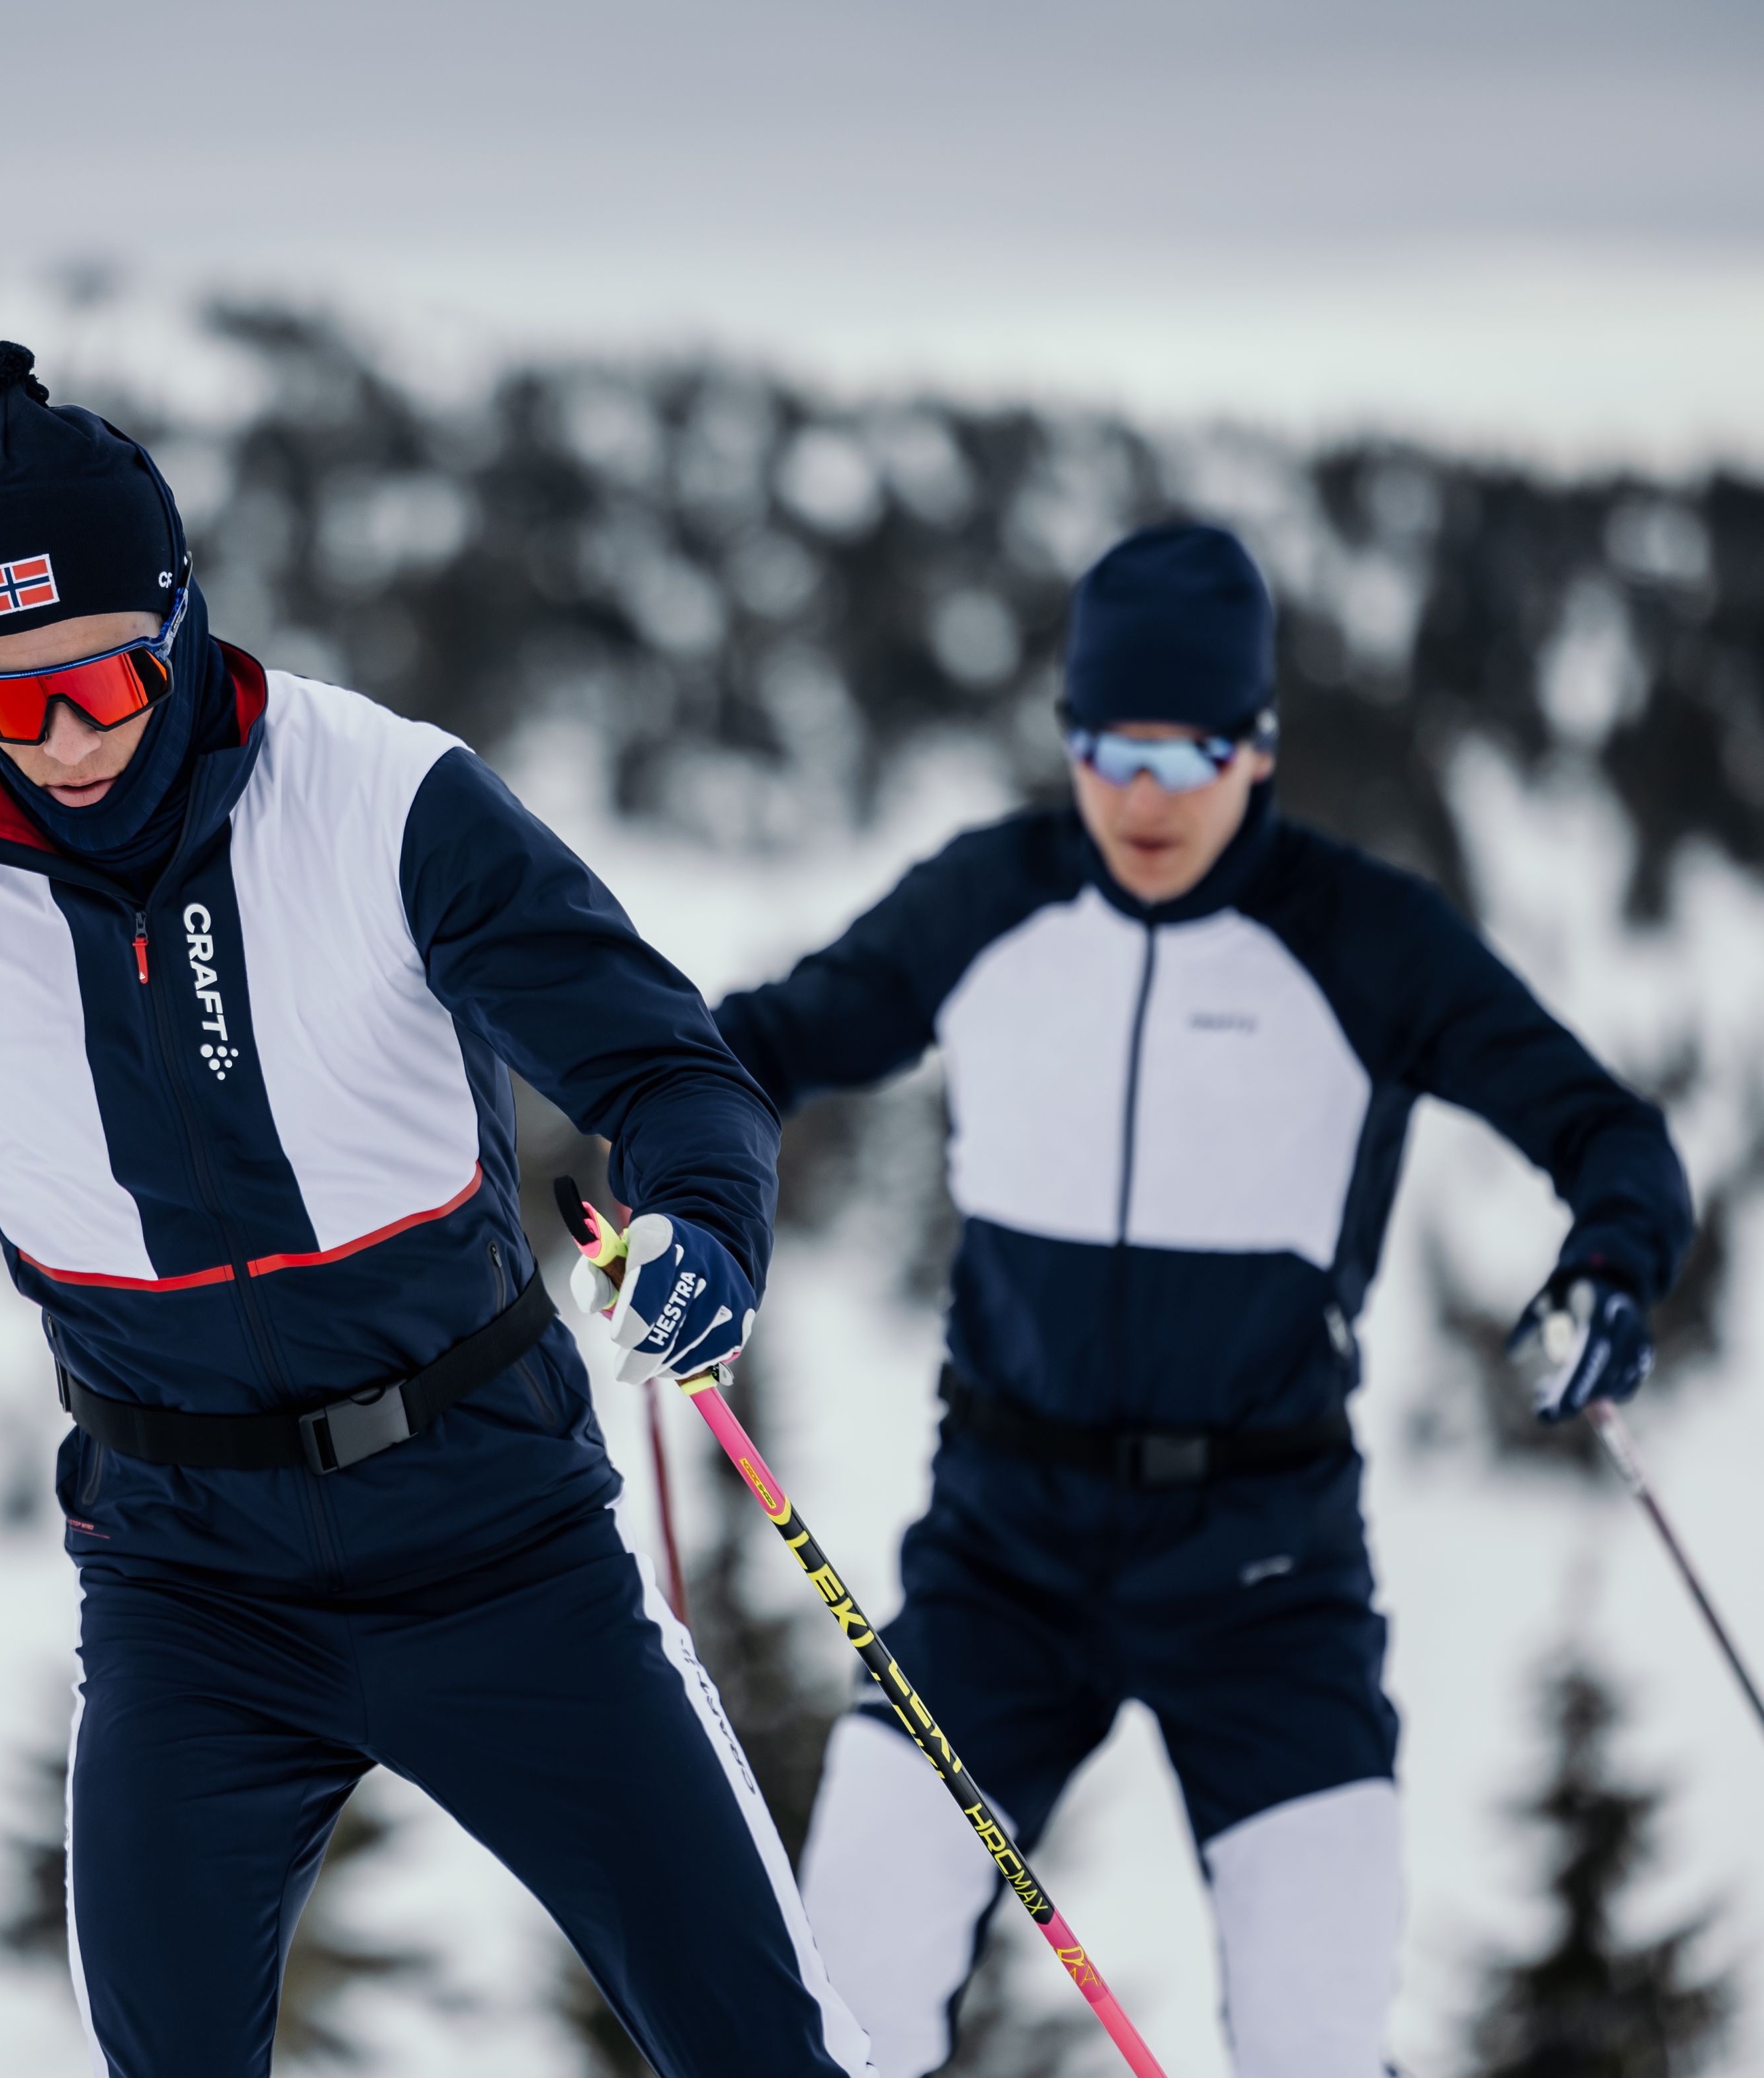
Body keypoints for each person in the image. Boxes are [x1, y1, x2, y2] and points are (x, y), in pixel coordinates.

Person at [0, 341, 870, 2078]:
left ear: (183, 621)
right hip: (194, 1589)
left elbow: (669, 1069)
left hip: (501, 1542)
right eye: (4, 691)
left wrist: (704, 1237)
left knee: (764, 2047)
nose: (61, 738)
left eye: (106, 681)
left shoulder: (387, 804)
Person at [710, 523, 1693, 2078]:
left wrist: (1610, 1266)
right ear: (1067, 737)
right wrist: (658, 1146)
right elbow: (756, 1044)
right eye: (1106, 748)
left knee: (1313, 2037)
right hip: (999, 1557)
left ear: (1258, 745)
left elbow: (1606, 1133)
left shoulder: (1360, 935)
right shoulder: (995, 897)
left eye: (1187, 754)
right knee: (840, 1995)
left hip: (1264, 1569)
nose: (1141, 797)